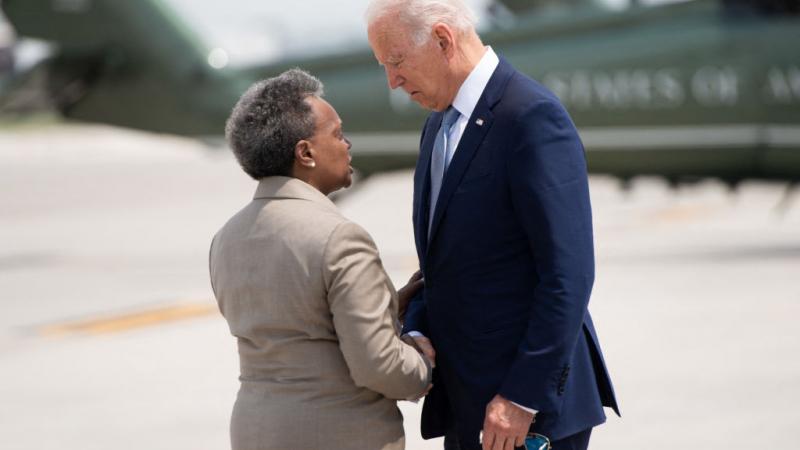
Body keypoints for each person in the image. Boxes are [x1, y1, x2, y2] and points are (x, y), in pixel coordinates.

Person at [365, 1, 620, 449]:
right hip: (470, 405)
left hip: (525, 413)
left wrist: (522, 396)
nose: (392, 81)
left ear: (443, 40)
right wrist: (418, 328)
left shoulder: (529, 117)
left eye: (397, 61)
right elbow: (444, 265)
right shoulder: (437, 126)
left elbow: (567, 274)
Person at [209, 68, 433, 450]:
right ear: (305, 153)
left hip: (254, 430)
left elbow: (295, 326)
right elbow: (379, 366)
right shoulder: (339, 237)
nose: (347, 144)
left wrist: (384, 309)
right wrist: (423, 362)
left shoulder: (227, 237)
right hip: (338, 433)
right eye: (337, 133)